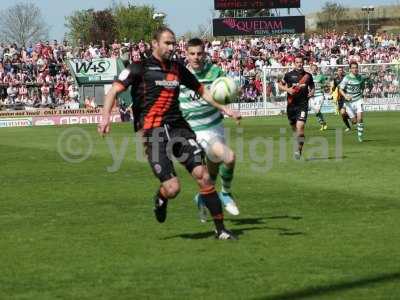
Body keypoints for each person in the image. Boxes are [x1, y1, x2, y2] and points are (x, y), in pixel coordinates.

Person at [98, 27, 241, 240]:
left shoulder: (178, 69)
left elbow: (202, 91)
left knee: (202, 176)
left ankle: (221, 229)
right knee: (173, 188)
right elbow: (113, 91)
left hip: (178, 128)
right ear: (154, 43)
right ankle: (161, 197)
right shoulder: (139, 68)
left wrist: (224, 108)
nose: (171, 47)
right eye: (167, 43)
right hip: (152, 132)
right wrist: (105, 116)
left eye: (173, 43)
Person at [178, 38, 239, 223]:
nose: (196, 57)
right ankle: (226, 194)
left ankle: (203, 197)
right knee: (229, 157)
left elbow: (227, 90)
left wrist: (230, 98)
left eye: (200, 53)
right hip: (195, 130)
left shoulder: (215, 72)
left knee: (211, 171)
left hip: (216, 126)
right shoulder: (179, 74)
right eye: (192, 53)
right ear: (186, 54)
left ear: (205, 53)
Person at [278, 55, 314, 160]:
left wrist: (312, 92)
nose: (299, 64)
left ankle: (299, 150)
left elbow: (312, 87)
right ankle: (298, 142)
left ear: (303, 63)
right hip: (291, 106)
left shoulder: (308, 76)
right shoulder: (288, 75)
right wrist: (287, 90)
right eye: (297, 62)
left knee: (300, 128)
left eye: (301, 62)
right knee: (295, 130)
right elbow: (280, 85)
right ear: (294, 63)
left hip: (303, 105)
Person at [339, 61, 366, 142]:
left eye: (356, 68)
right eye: (353, 68)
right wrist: (345, 96)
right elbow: (340, 89)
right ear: (350, 69)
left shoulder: (361, 78)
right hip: (349, 102)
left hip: (358, 100)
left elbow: (362, 87)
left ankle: (360, 137)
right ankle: (354, 123)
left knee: (360, 118)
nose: (355, 69)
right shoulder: (346, 78)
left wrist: (362, 95)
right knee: (354, 121)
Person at [331, 66, 352, 132]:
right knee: (343, 114)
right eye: (339, 70)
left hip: (346, 96)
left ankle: (352, 118)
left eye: (341, 70)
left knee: (344, 112)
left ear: (343, 71)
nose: (340, 71)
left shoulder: (346, 78)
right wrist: (332, 88)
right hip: (340, 98)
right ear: (337, 71)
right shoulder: (335, 79)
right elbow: (334, 87)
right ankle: (349, 126)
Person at [309, 64, 328, 131]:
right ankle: (323, 123)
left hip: (319, 95)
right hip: (312, 96)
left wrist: (322, 85)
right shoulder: (308, 77)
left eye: (315, 68)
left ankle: (322, 124)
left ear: (317, 69)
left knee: (317, 110)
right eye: (312, 68)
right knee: (316, 112)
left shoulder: (321, 76)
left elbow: (326, 84)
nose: (314, 70)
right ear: (310, 69)